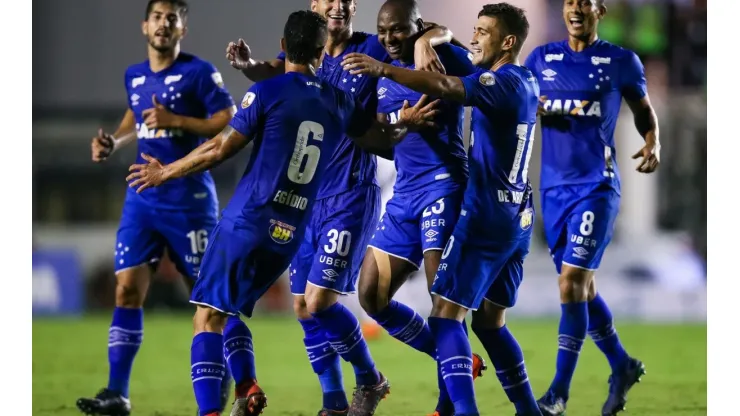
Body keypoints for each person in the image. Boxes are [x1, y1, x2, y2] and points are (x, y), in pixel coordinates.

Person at [126, 10, 438, 416]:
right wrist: (406, 122)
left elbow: (221, 148)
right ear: (320, 53)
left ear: (285, 46)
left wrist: (165, 170)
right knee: (256, 306)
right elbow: (382, 137)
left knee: (208, 316)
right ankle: (255, 388)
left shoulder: (269, 92)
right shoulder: (336, 99)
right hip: (290, 230)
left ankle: (219, 407)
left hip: (250, 220)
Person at [225, 1, 464, 414]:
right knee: (302, 305)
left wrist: (428, 36)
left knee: (320, 301)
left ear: (353, 7)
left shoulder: (373, 46)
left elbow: (419, 28)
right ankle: (334, 402)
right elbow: (273, 72)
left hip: (351, 193)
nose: (336, 5)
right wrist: (248, 66)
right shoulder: (305, 53)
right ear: (314, 5)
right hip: (305, 198)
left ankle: (376, 378)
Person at [342, 3, 543, 415]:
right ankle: (529, 411)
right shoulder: (521, 80)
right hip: (510, 210)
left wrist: (407, 55)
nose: (474, 39)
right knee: (486, 322)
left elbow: (452, 86)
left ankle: (450, 407)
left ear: (506, 42)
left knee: (446, 313)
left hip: (472, 206)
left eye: (483, 32)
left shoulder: (493, 78)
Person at [76, 1, 237, 415]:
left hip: (189, 201)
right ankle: (117, 393)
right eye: (158, 17)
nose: (164, 24)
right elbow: (137, 115)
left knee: (210, 299)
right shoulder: (134, 74)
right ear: (144, 25)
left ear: (183, 28)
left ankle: (228, 377)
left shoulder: (200, 72)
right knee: (127, 291)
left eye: (173, 18)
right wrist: (116, 141)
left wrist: (179, 121)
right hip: (142, 198)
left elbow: (229, 119)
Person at [524, 1, 659, 415]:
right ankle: (621, 364)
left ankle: (558, 394)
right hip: (553, 192)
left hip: (596, 188)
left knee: (570, 283)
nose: (576, 8)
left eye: (585, 1)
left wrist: (653, 139)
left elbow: (643, 110)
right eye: (570, 2)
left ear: (600, 10)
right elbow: (519, 104)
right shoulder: (541, 58)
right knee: (583, 287)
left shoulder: (621, 61)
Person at [355, 1, 486, 415]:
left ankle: (452, 406)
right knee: (370, 295)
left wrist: (438, 36)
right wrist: (400, 122)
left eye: (399, 30)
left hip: (444, 186)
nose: (391, 38)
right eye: (383, 31)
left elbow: (486, 81)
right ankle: (457, 361)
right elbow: (376, 132)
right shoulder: (378, 61)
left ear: (418, 25)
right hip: (406, 193)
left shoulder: (443, 55)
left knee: (442, 302)